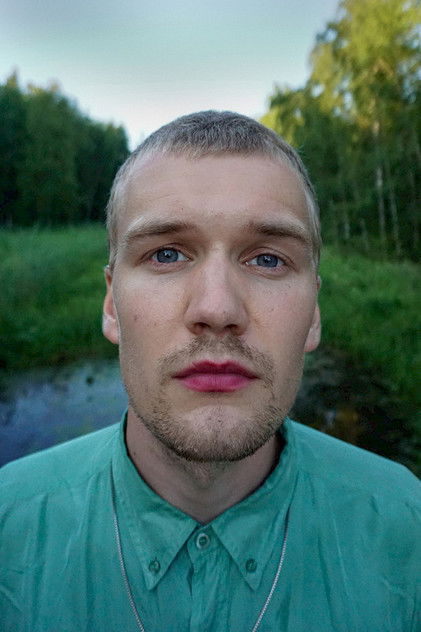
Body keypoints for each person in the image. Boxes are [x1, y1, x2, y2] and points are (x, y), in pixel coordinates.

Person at [0, 111, 419, 632]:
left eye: (268, 260)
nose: (217, 309)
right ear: (111, 305)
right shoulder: (8, 525)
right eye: (167, 254)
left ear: (313, 313)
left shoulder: (407, 527)